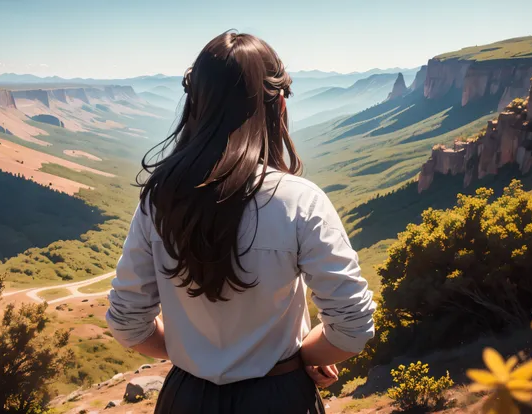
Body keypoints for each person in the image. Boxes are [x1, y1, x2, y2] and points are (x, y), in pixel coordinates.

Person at [106, 30, 376, 414]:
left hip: (185, 401)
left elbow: (127, 324)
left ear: (196, 107)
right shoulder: (300, 200)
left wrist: (196, 356)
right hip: (281, 399)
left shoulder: (160, 200)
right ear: (279, 106)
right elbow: (353, 328)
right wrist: (301, 356)